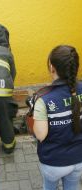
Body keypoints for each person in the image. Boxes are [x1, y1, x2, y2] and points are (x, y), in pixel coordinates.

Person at [33, 45, 82, 190]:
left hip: (53, 162)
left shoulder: (43, 98)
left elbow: (41, 135)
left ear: (52, 67)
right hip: (79, 158)